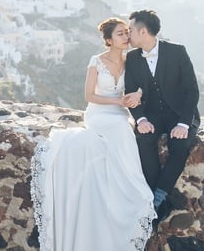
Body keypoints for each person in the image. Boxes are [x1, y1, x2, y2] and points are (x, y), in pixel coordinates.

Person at [31, 17, 156, 251]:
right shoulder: (96, 61)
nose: (126, 36)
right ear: (109, 40)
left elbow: (145, 85)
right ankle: (135, 188)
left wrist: (137, 95)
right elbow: (89, 96)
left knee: (122, 127)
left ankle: (126, 195)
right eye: (120, 33)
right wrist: (117, 101)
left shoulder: (133, 60)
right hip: (99, 113)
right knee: (120, 129)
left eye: (127, 32)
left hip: (120, 114)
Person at [125, 9, 200, 226]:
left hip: (179, 113)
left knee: (180, 145)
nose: (128, 35)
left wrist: (184, 123)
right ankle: (152, 196)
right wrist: (141, 120)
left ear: (143, 31)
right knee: (143, 140)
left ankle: (157, 198)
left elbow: (192, 90)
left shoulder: (177, 51)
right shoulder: (132, 58)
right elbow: (130, 92)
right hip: (152, 115)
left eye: (130, 30)